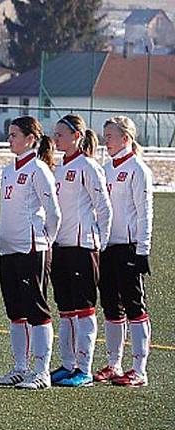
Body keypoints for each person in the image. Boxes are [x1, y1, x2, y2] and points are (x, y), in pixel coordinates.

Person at [0, 115, 61, 390]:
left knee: (37, 310)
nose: (9, 139)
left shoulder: (39, 169)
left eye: (14, 135)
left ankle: (41, 371)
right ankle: (20, 368)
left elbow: (54, 214)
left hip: (31, 248)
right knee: (15, 312)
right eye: (9, 135)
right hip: (8, 249)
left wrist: (46, 241)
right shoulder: (8, 170)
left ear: (30, 139)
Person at [49, 114, 111, 388]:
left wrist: (100, 242)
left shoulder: (88, 166)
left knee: (84, 309)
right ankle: (68, 363)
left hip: (83, 247)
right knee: (66, 309)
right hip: (61, 246)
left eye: (61, 134)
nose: (56, 138)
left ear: (76, 136)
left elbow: (104, 208)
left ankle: (84, 369)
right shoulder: (59, 167)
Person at [95, 116, 153, 387]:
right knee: (110, 306)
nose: (105, 140)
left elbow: (145, 212)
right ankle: (114, 364)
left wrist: (143, 249)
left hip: (129, 248)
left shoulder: (137, 169)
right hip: (107, 246)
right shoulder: (106, 168)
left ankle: (139, 370)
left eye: (110, 136)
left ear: (125, 138)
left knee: (134, 306)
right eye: (104, 135)